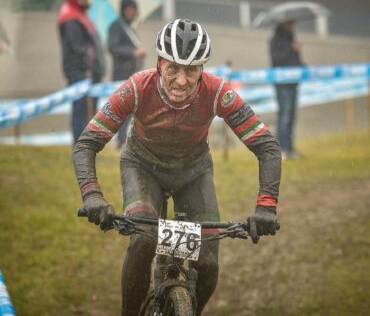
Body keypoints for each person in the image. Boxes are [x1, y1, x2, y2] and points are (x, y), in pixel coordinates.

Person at [73, 19, 281, 315]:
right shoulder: (136, 87)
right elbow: (86, 144)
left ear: (202, 71)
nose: (181, 80)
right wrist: (92, 195)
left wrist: (266, 206)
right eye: (173, 68)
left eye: (191, 70)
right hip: (142, 167)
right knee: (144, 240)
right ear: (159, 64)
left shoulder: (216, 92)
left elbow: (267, 146)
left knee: (207, 263)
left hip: (192, 175)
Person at [58, 0, 105, 143]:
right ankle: (80, 148)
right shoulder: (70, 17)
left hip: (91, 76)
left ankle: (88, 148)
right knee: (81, 114)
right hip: (82, 75)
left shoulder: (82, 16)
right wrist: (88, 70)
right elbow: (77, 48)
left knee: (90, 115)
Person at [108, 0, 146, 149]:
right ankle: (121, 141)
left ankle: (126, 140)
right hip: (121, 74)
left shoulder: (130, 27)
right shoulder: (116, 26)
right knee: (122, 109)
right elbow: (113, 48)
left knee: (131, 109)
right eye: (129, 9)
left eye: (133, 10)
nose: (131, 12)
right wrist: (133, 53)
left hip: (131, 73)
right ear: (123, 10)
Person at [270, 20, 303, 160]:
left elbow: (296, 61)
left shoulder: (291, 38)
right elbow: (276, 59)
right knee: (284, 116)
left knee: (291, 116)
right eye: (289, 23)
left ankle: (289, 148)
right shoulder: (275, 40)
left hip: (293, 83)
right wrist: (292, 48)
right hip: (282, 84)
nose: (292, 26)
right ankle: (281, 149)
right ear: (283, 24)